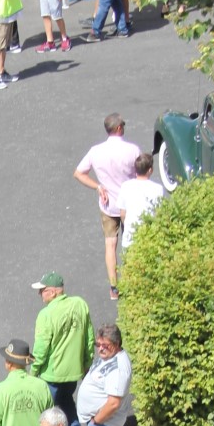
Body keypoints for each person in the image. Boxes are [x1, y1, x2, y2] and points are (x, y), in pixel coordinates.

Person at [73, 114, 142, 300]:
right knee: (134, 242)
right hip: (129, 205)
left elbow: (79, 173)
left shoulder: (96, 151)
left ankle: (114, 287)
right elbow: (140, 174)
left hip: (108, 205)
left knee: (110, 245)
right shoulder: (132, 150)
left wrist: (98, 186)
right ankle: (135, 280)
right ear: (119, 128)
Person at [29, 273, 94, 426]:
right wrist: (86, 364)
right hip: (73, 373)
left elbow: (41, 349)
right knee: (67, 406)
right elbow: (89, 338)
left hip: (52, 375)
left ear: (52, 292)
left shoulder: (46, 314)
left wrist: (34, 371)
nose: (39, 294)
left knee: (45, 414)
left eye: (42, 290)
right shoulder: (80, 304)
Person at [119, 152, 166, 250]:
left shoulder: (126, 186)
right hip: (149, 236)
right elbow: (159, 213)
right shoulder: (157, 189)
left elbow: (123, 213)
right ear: (150, 170)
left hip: (129, 236)